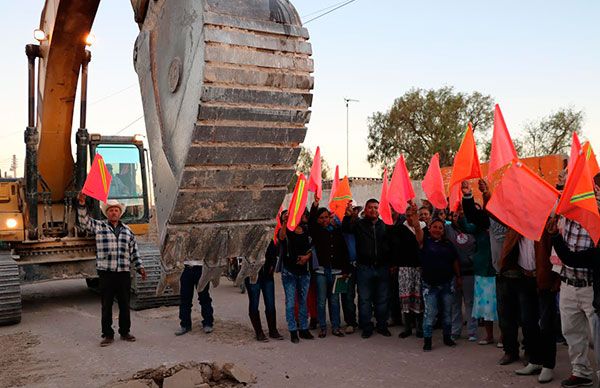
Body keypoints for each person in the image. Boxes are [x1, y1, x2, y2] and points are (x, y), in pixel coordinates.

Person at [77, 193, 146, 347]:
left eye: (116, 210)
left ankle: (125, 331)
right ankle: (107, 334)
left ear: (120, 213)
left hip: (123, 273)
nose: (113, 212)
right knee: (106, 305)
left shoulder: (128, 231)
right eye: (110, 210)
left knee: (124, 304)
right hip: (106, 273)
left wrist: (139, 266)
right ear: (106, 213)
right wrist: (82, 204)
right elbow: (84, 222)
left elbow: (134, 251)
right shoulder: (99, 226)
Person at [548, 216, 600, 388]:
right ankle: (581, 372)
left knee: (598, 336)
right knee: (571, 331)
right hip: (568, 283)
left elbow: (574, 258)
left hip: (592, 287)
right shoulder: (564, 216)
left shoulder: (596, 216)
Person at [342, 199, 391, 339]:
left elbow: (391, 245)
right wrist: (348, 216)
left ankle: (382, 325)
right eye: (370, 207)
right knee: (364, 299)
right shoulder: (359, 225)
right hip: (364, 268)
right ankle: (366, 326)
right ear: (365, 209)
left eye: (376, 207)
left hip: (382, 268)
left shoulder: (385, 225)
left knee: (382, 299)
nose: (373, 210)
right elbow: (346, 229)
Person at [461, 181, 497, 346]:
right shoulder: (480, 225)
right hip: (483, 270)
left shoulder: (505, 221)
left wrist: (487, 193)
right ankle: (489, 335)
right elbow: (471, 216)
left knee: (501, 306)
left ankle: (505, 337)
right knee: (485, 307)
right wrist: (468, 194)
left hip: (500, 270)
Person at [416, 217, 461, 351]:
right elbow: (417, 229)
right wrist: (413, 214)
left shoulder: (448, 244)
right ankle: (427, 340)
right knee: (430, 313)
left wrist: (458, 277)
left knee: (447, 312)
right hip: (430, 285)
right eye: (435, 227)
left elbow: (455, 261)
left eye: (440, 228)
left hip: (447, 283)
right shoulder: (424, 241)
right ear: (429, 228)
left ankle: (447, 337)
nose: (437, 230)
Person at [308, 197, 350, 338]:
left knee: (334, 300)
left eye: (326, 217)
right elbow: (311, 221)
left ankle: (336, 327)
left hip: (337, 272)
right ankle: (323, 327)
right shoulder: (316, 231)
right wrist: (315, 205)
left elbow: (344, 251)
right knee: (321, 301)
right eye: (321, 218)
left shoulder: (337, 232)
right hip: (321, 271)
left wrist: (346, 270)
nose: (324, 220)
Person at [277, 210, 314, 343]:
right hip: (289, 273)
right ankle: (293, 330)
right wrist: (285, 222)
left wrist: (307, 257)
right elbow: (281, 238)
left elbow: (311, 247)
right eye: (303, 214)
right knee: (291, 303)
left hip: (304, 272)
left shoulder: (307, 230)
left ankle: (304, 328)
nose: (305, 216)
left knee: (303, 302)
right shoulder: (287, 231)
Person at [389, 205, 423, 339]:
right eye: (408, 215)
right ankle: (407, 327)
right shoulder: (399, 228)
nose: (410, 218)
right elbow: (395, 248)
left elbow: (421, 243)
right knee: (406, 297)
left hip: (419, 267)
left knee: (419, 297)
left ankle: (419, 327)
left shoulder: (423, 227)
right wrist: (394, 264)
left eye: (413, 215)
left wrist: (417, 226)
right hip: (404, 268)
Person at [445, 208, 477, 341]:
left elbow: (479, 247)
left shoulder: (473, 229)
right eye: (455, 215)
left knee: (470, 302)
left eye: (461, 214)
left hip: (469, 272)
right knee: (455, 303)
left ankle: (472, 331)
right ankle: (455, 330)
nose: (458, 217)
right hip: (453, 272)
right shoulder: (448, 230)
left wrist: (472, 258)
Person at [245, 239, 283, 342]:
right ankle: (259, 332)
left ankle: (273, 330)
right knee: (254, 303)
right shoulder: (248, 237)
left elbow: (274, 250)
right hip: (252, 274)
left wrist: (272, 264)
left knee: (270, 303)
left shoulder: (267, 236)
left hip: (267, 274)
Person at [175, 259, 215, 336]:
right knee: (185, 298)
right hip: (187, 268)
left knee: (204, 297)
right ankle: (185, 325)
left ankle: (208, 323)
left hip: (202, 269)